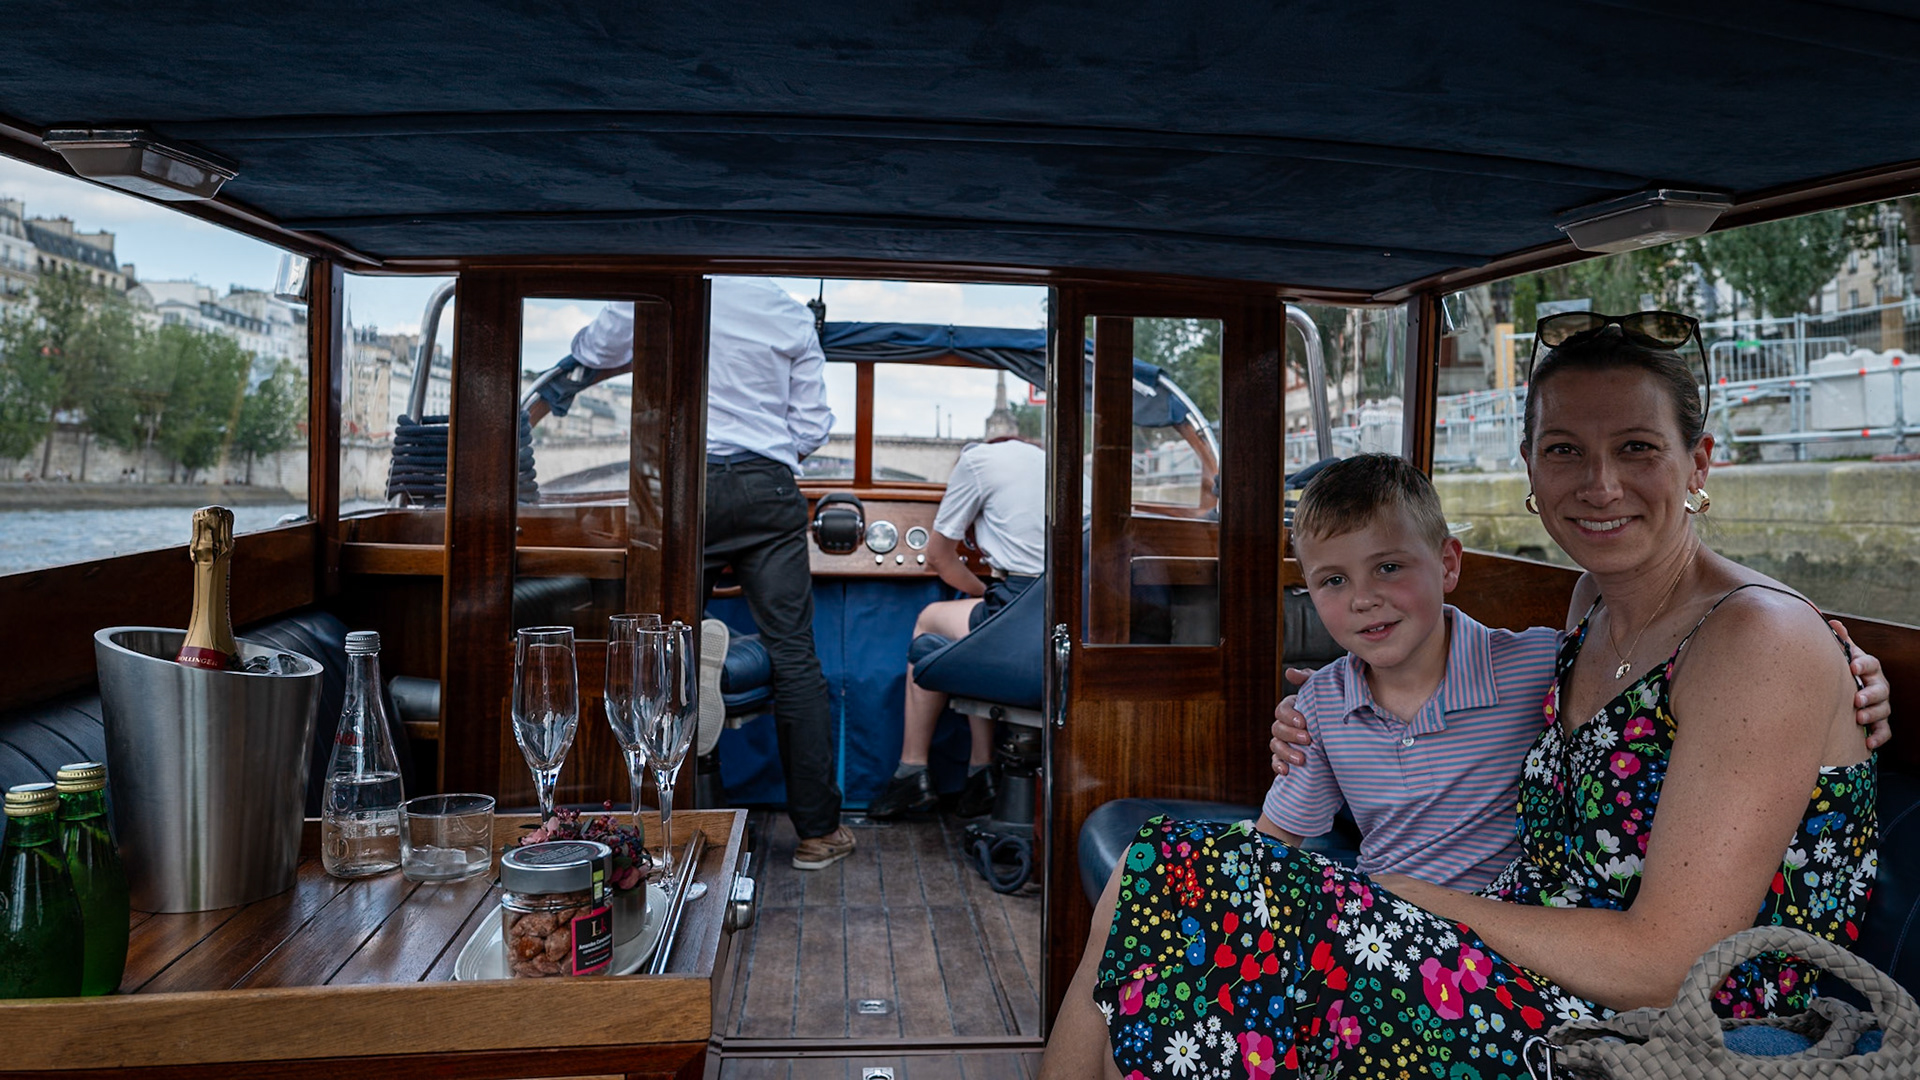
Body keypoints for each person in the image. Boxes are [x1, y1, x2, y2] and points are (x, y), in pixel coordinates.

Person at [1042, 314, 1885, 1079]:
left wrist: (1397, 895)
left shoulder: (1760, 639)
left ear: (1698, 462)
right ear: (1530, 467)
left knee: (1186, 891)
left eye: (1636, 447)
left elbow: (1668, 963)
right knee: (1164, 874)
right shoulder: (1592, 607)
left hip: (1685, 1033)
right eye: (1564, 450)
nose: (1598, 484)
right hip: (1534, 966)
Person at [570, 278, 854, 871]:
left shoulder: (660, 287)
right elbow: (811, 426)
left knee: (654, 648)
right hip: (765, 485)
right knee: (795, 655)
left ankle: (652, 818)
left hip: (683, 485)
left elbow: (594, 350)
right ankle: (818, 833)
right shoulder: (787, 312)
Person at [866, 435, 1046, 820]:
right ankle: (980, 773)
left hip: (1019, 601)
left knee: (931, 619)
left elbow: (937, 556)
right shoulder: (1048, 461)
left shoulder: (976, 460)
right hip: (1066, 612)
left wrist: (988, 596)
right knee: (975, 635)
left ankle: (911, 771)